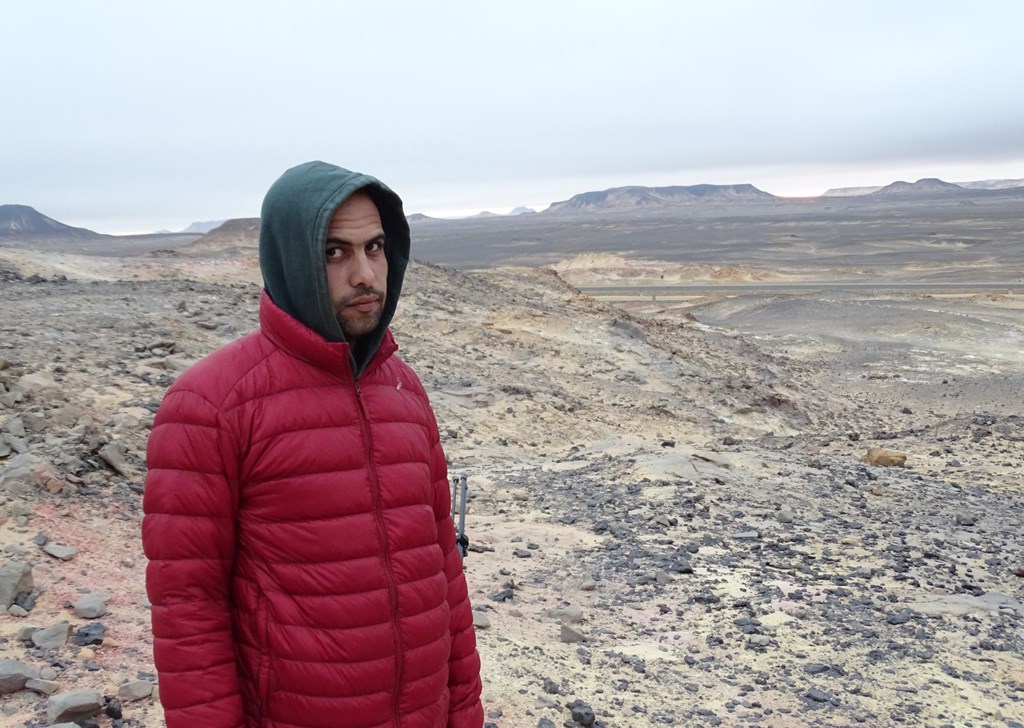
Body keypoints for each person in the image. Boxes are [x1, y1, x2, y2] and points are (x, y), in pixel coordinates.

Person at [142, 161, 483, 728]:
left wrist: (465, 712)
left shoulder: (403, 388)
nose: (365, 275)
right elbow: (188, 609)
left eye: (375, 248)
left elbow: (443, 568)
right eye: (334, 253)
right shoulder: (211, 404)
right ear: (290, 258)